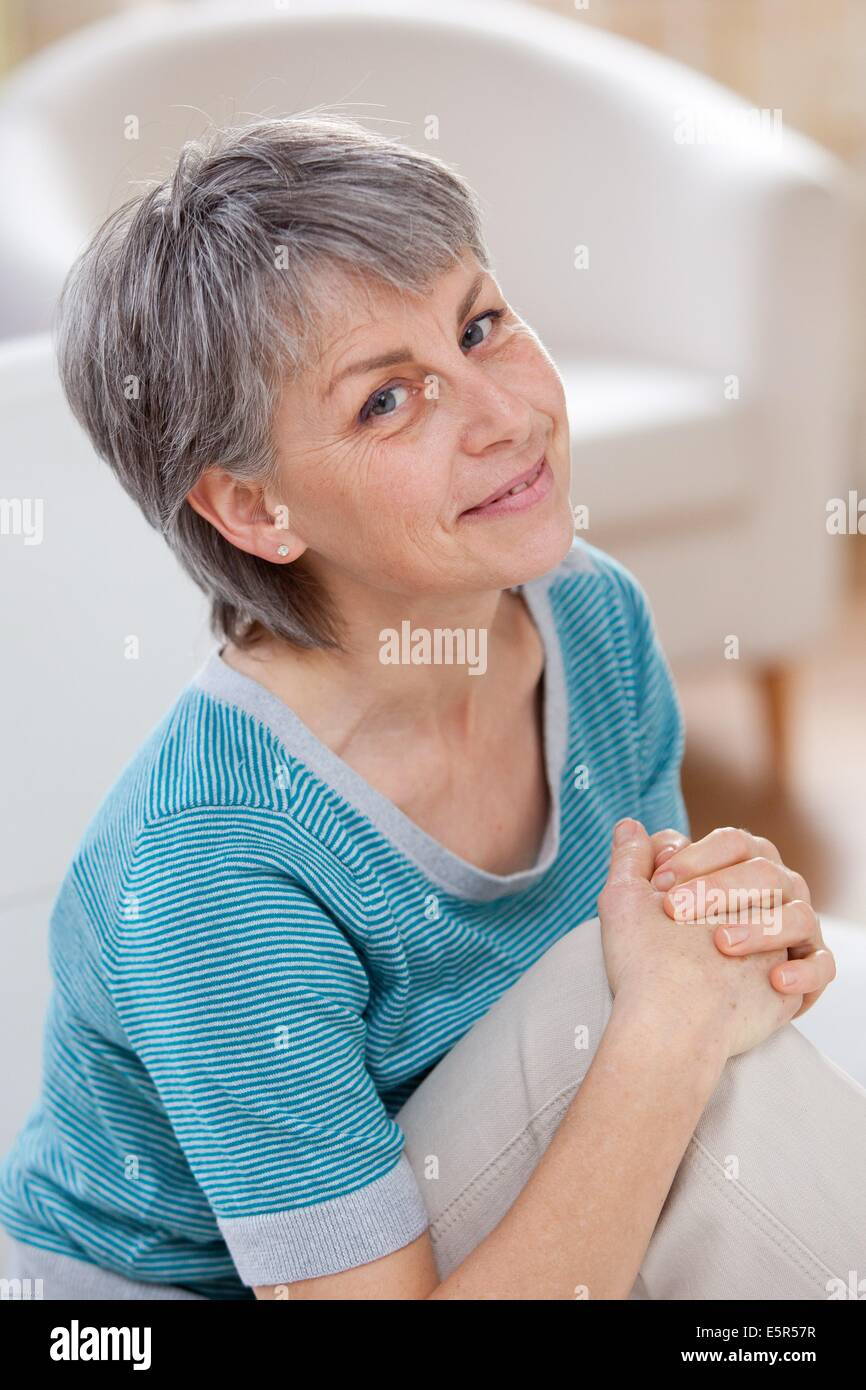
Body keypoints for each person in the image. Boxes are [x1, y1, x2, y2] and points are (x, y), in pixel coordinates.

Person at [0, 115, 858, 1301]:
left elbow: (666, 946)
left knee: (677, 1033)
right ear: (251, 510)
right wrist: (667, 1030)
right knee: (642, 1029)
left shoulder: (587, 617)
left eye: (480, 325)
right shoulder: (211, 860)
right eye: (388, 401)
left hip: (473, 1200)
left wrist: (732, 934)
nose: (503, 415)